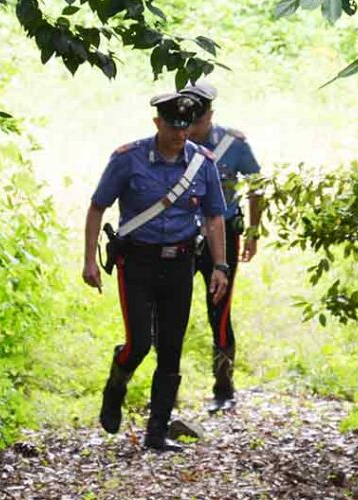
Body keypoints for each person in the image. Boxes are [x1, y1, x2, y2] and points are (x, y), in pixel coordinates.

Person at [82, 92, 230, 451]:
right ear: (157, 124)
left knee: (171, 349)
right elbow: (97, 206)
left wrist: (220, 265)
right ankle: (116, 385)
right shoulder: (128, 159)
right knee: (139, 345)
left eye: (186, 127)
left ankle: (157, 432)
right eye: (173, 126)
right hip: (137, 263)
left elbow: (214, 216)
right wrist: (89, 259)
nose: (181, 134)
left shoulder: (202, 163)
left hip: (180, 263)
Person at [180, 81, 264, 414]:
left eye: (198, 122)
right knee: (172, 310)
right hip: (181, 235)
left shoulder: (234, 144)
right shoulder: (175, 140)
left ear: (210, 115)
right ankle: (166, 388)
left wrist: (254, 232)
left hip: (224, 236)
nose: (192, 129)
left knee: (221, 310)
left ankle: (224, 387)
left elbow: (257, 186)